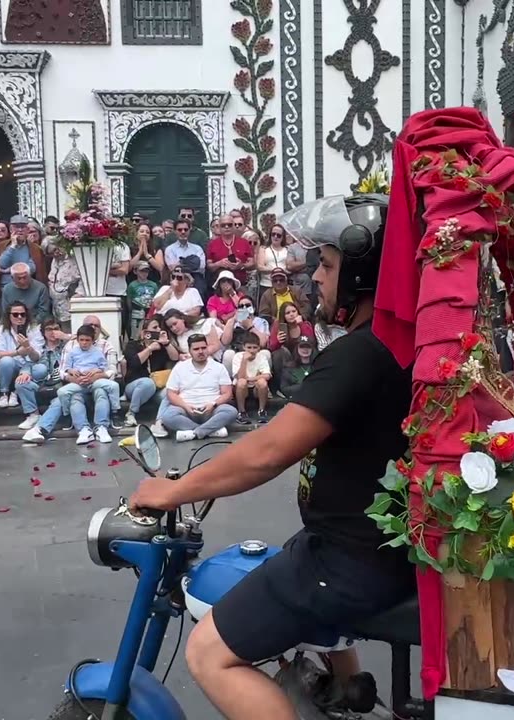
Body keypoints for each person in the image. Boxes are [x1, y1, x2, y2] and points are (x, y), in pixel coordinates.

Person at [129, 195, 414, 720]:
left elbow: (264, 453)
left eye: (328, 267)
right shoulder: (399, 343)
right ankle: (343, 698)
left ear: (361, 278)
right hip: (370, 549)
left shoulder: (360, 353)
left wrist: (170, 490)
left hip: (351, 560)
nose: (316, 280)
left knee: (209, 654)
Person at [159, 333, 239, 441]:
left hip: (211, 409)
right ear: (190, 351)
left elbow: (227, 393)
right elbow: (171, 393)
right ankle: (210, 431)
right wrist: (186, 406)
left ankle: (195, 433)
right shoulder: (180, 368)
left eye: (203, 348)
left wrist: (213, 404)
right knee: (167, 416)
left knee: (231, 411)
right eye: (196, 349)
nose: (201, 351)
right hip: (187, 410)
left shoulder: (218, 367)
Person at [60, 324, 116, 445]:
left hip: (94, 382)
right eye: (82, 340)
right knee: (67, 393)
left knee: (104, 391)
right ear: (77, 340)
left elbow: (104, 368)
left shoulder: (98, 352)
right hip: (79, 382)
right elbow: (66, 369)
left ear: (92, 340)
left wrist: (96, 371)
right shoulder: (73, 352)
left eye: (87, 340)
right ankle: (82, 429)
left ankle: (102, 426)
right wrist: (72, 372)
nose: (84, 343)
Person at [122, 317, 179, 426]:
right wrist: (149, 349)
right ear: (145, 332)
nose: (158, 330)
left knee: (168, 394)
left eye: (159, 327)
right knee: (147, 383)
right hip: (134, 386)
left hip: (156, 387)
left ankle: (159, 422)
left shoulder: (161, 347)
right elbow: (134, 363)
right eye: (154, 327)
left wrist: (166, 343)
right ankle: (131, 413)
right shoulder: (133, 345)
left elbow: (175, 357)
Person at [15, 318, 67, 430]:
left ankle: (45, 423)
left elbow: (80, 340)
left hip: (62, 383)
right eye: (49, 329)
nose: (53, 332)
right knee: (22, 382)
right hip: (42, 383)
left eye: (56, 329)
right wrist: (24, 373)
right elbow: (29, 362)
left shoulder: (68, 346)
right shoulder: (39, 347)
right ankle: (33, 415)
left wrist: (65, 337)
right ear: (43, 332)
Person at [0, 301, 44, 408]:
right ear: (9, 316)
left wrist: (28, 348)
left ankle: (15, 392)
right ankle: (4, 393)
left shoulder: (34, 329)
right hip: (11, 366)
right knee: (6, 361)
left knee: (41, 369)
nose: (19, 317)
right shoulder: (1, 330)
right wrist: (17, 352)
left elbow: (36, 357)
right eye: (15, 314)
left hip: (29, 367)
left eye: (22, 314)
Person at [232, 333, 273, 424]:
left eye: (254, 347)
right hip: (242, 388)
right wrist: (244, 360)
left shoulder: (261, 357)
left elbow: (267, 375)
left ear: (259, 348)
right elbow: (240, 377)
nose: (252, 350)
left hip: (256, 388)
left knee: (262, 382)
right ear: (244, 347)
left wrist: (250, 379)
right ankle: (241, 412)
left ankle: (262, 411)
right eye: (249, 347)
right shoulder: (238, 357)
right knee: (242, 382)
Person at [127, 261, 160, 337]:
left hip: (150, 312)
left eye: (146, 271)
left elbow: (156, 299)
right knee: (136, 333)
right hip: (137, 311)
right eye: (142, 271)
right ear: (135, 271)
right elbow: (129, 299)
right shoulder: (132, 285)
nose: (144, 273)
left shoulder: (153, 285)